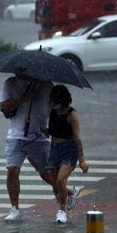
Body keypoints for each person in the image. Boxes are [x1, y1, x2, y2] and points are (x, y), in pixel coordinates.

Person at [0, 73, 54, 222]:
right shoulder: (10, 83)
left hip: (38, 138)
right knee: (12, 170)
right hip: (16, 137)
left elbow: (52, 110)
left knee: (48, 175)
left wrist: (51, 128)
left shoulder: (47, 85)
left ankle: (65, 198)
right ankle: (14, 209)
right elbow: (3, 106)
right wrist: (23, 99)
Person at [45, 84, 88, 224]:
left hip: (68, 150)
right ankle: (71, 193)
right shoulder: (52, 112)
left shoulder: (72, 115)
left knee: (60, 180)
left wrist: (82, 159)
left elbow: (77, 138)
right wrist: (41, 129)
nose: (54, 104)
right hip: (54, 149)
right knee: (54, 183)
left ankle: (62, 210)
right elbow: (51, 131)